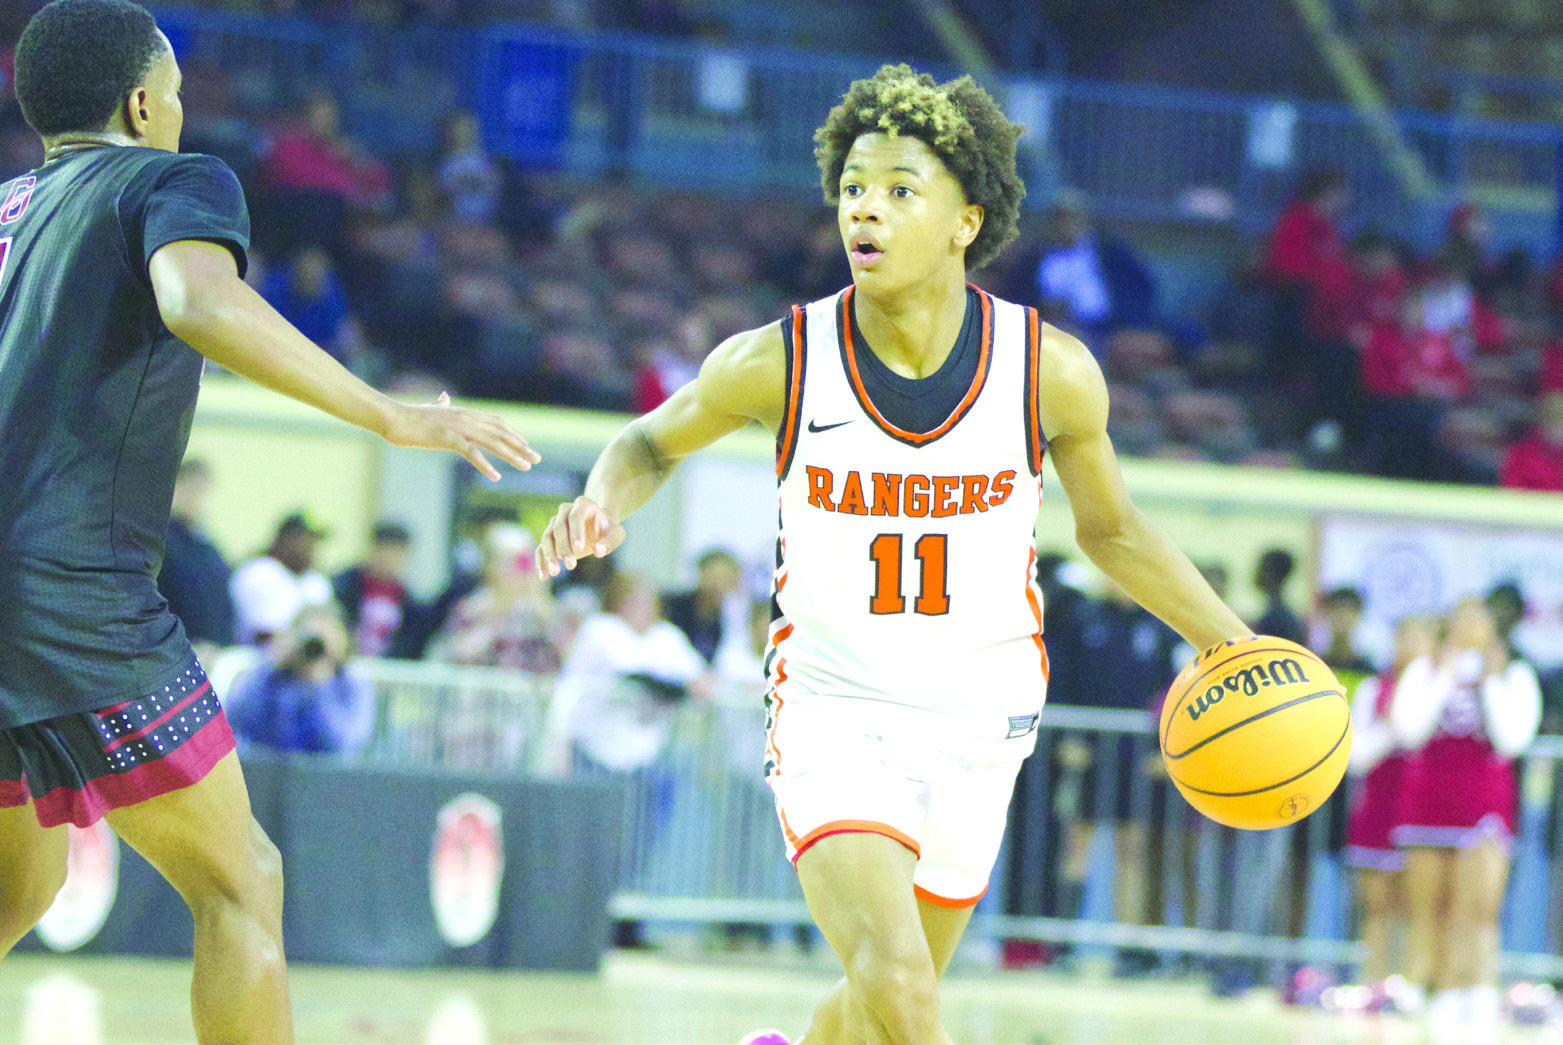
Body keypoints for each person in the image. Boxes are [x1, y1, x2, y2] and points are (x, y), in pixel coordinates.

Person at [534, 64, 1248, 1045]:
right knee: (903, 983)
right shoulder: (781, 358)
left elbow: (1112, 532)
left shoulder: (1049, 371)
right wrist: (599, 501)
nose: (866, 210)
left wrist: (1234, 643)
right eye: (854, 188)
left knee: (880, 1005)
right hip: (837, 707)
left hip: (982, 716)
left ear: (967, 219)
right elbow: (648, 441)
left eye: (901, 189)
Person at [0, 4, 537, 1042]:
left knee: (16, 887)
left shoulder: (8, 210)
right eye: (180, 94)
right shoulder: (171, 179)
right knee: (242, 882)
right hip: (68, 593)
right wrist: (388, 412)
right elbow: (196, 301)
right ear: (144, 102)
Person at [1391, 599, 1541, 1030]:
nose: (1469, 627)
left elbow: (1512, 739)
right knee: (1427, 907)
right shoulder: (1426, 670)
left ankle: (1476, 990)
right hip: (1427, 805)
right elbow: (1409, 729)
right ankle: (1431, 988)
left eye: (1478, 621)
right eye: (1461, 619)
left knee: (1477, 908)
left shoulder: (1514, 672)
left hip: (1483, 809)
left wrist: (1491, 681)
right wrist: (1443, 673)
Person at [1343, 615, 1436, 1007]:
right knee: (1377, 905)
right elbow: (1357, 756)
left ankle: (1411, 983)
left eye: (1420, 637)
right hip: (1379, 808)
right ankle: (1372, 982)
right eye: (1404, 637)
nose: (1411, 646)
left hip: (1424, 811)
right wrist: (1392, 727)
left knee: (1418, 905)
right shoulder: (1372, 688)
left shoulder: (1439, 689)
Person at [226, 604, 375, 758]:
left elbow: (344, 744)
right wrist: (268, 668)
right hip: (267, 771)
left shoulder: (352, 683)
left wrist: (321, 685)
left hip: (327, 776)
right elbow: (236, 721)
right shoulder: (274, 675)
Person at [429, 522, 560, 674]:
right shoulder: (471, 610)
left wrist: (542, 601)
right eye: (512, 561)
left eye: (525, 561)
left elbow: (562, 664)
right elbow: (445, 660)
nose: (521, 570)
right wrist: (490, 625)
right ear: (491, 566)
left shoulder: (538, 615)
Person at [158, 456, 235, 651]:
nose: (198, 499)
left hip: (213, 648)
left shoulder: (209, 547)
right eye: (192, 490)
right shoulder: (160, 542)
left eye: (202, 492)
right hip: (175, 647)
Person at [231, 511, 334, 648]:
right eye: (306, 540)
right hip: (256, 661)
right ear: (286, 540)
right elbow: (265, 637)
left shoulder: (317, 581)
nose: (312, 548)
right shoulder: (259, 572)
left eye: (315, 542)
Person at [330, 520, 415, 659]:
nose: (389, 559)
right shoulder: (343, 587)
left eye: (396, 552)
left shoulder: (409, 602)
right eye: (384, 550)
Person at [662, 547, 744, 663]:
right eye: (714, 578)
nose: (717, 586)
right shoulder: (671, 605)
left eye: (724, 579)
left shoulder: (733, 618)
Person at [1251, 548, 1306, 646]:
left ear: (1271, 574)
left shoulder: (1277, 619)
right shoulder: (1280, 614)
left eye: (1261, 568)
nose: (1255, 574)